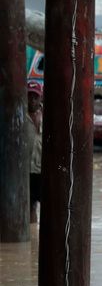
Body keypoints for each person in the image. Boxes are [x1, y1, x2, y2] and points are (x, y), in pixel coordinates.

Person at [26, 81, 43, 224]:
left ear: (40, 98)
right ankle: (32, 238)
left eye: (35, 96)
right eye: (29, 96)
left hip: (42, 170)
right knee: (29, 206)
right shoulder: (19, 116)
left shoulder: (48, 116)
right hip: (25, 170)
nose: (32, 100)